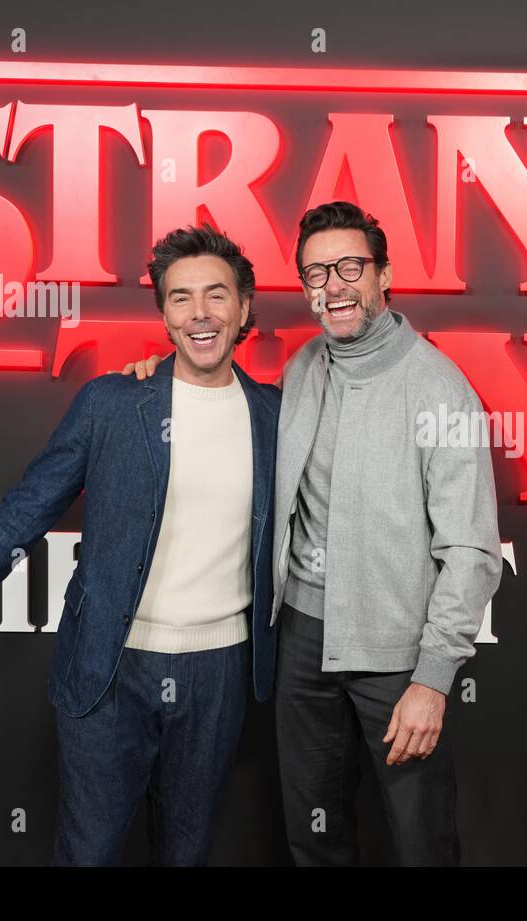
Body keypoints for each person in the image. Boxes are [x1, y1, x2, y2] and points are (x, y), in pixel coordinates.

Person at [0, 224, 280, 865]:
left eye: (216, 295)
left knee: (188, 853)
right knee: (88, 854)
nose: (200, 313)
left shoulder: (276, 417)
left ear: (245, 307)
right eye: (180, 298)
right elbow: (26, 511)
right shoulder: (112, 403)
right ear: (165, 315)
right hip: (108, 669)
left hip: (219, 673)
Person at [124, 201, 502, 865]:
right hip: (301, 639)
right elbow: (227, 404)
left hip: (399, 655)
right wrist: (158, 380)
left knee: (424, 845)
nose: (333, 285)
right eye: (315, 273)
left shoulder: (440, 389)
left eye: (349, 266)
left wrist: (433, 679)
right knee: (315, 838)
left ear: (385, 275)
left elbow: (471, 551)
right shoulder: (304, 368)